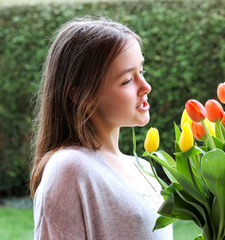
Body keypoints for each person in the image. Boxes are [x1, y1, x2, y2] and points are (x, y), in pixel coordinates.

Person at [29, 16, 173, 240]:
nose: (146, 87)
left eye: (141, 72)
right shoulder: (70, 168)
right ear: (81, 96)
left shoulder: (142, 167)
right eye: (127, 80)